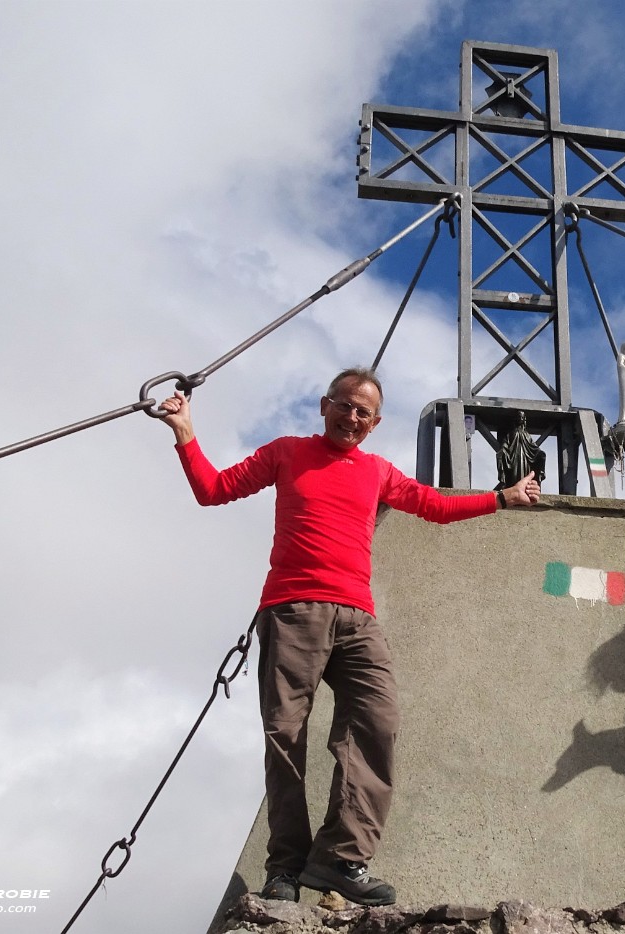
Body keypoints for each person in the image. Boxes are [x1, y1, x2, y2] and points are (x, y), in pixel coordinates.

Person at [160, 367, 540, 907]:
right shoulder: (287, 452)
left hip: (358, 617)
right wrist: (185, 430)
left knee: (378, 722)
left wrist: (501, 498)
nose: (352, 417)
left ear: (375, 423)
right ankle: (285, 868)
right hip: (293, 611)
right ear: (324, 405)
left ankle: (340, 858)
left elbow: (433, 505)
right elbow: (214, 489)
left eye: (364, 412)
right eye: (345, 405)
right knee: (287, 738)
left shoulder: (378, 472)